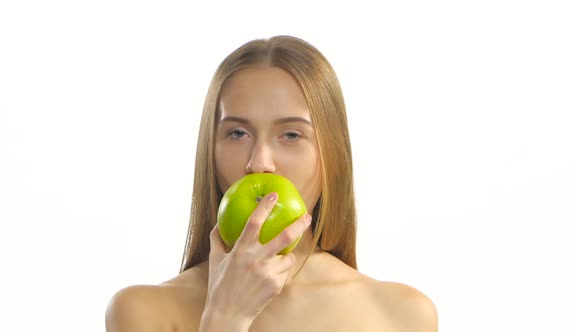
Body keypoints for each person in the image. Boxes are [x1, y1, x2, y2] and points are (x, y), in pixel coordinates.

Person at [105, 35, 438, 331]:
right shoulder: (141, 312)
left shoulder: (403, 317)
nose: (259, 163)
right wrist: (225, 317)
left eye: (291, 135)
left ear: (332, 157)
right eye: (237, 133)